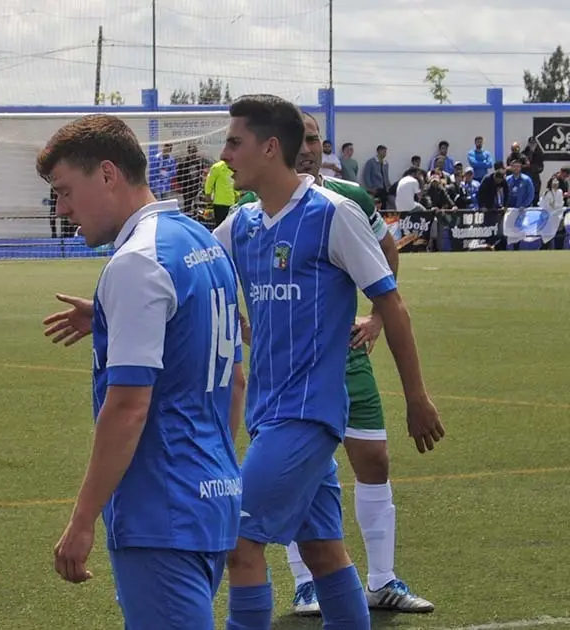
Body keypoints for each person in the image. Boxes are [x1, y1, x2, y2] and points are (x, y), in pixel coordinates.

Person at [213, 94, 444, 630]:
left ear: (270, 148)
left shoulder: (333, 214)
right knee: (322, 551)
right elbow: (191, 266)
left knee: (238, 539)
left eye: (234, 142)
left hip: (307, 416)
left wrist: (416, 398)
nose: (224, 155)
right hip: (268, 413)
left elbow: (391, 303)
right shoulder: (244, 223)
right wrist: (108, 310)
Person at [36, 114, 245, 629]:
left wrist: (83, 519)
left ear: (108, 174)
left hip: (160, 505)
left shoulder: (137, 263)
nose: (62, 209)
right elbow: (234, 375)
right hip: (211, 494)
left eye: (65, 191)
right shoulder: (199, 241)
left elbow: (129, 407)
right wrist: (113, 316)